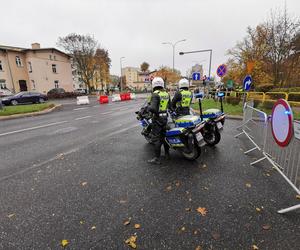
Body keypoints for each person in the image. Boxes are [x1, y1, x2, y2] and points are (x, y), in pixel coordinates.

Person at [147, 77, 171, 165]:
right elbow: (170, 106)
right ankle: (167, 154)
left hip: (157, 119)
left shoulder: (155, 94)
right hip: (165, 118)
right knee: (164, 136)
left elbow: (153, 108)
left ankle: (157, 158)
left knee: (156, 138)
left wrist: (150, 108)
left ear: (154, 85)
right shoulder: (166, 94)